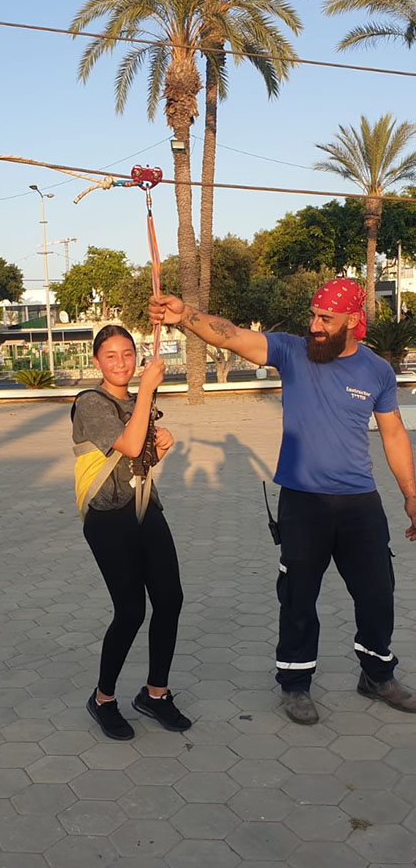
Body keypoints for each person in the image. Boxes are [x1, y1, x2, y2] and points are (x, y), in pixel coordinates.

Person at [149, 280, 416, 725]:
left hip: (359, 503)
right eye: (312, 315)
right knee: (298, 597)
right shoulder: (293, 352)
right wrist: (185, 316)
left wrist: (411, 494)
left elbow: (393, 434)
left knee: (377, 594)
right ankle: (295, 683)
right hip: (303, 502)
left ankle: (377, 674)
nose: (314, 326)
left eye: (325, 319)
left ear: (353, 321)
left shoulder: (377, 371)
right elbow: (232, 335)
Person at [71, 324, 191, 740]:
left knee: (170, 599)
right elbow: (128, 445)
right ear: (96, 361)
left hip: (143, 507)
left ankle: (156, 693)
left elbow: (141, 459)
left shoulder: (136, 401)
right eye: (111, 356)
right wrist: (146, 395)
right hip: (107, 516)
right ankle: (103, 698)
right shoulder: (90, 402)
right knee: (131, 611)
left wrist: (162, 446)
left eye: (127, 354)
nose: (121, 363)